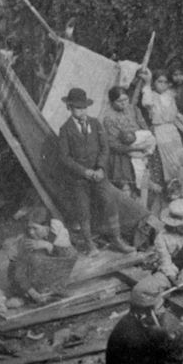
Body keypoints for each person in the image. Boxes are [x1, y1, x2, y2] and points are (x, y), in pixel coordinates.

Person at [58, 87, 136, 255]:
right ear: (69, 108)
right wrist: (84, 172)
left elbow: (104, 148)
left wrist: (100, 168)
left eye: (84, 107)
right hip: (79, 179)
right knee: (83, 210)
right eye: (78, 108)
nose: (82, 111)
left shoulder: (95, 123)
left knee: (110, 201)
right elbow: (64, 158)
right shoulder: (65, 130)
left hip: (99, 175)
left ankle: (117, 240)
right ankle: (90, 245)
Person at [106, 275, 183, 364]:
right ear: (146, 312)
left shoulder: (137, 321)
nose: (163, 311)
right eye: (160, 307)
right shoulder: (134, 336)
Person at [102, 86, 162, 202]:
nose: (124, 103)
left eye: (125, 99)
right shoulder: (109, 118)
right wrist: (135, 148)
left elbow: (144, 126)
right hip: (124, 153)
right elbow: (114, 144)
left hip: (142, 144)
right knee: (130, 183)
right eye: (119, 101)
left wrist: (147, 141)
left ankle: (150, 199)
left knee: (150, 167)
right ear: (112, 102)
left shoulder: (134, 109)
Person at [140, 69, 183, 195]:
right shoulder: (151, 95)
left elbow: (176, 114)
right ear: (154, 83)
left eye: (165, 82)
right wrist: (147, 84)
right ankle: (172, 188)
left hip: (173, 129)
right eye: (159, 82)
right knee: (168, 160)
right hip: (160, 129)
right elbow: (146, 103)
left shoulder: (170, 95)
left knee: (180, 157)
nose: (162, 85)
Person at [7, 208, 78, 303]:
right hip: (24, 279)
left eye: (35, 228)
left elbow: (71, 255)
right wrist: (33, 294)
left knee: (57, 259)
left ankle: (53, 289)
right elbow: (19, 272)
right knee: (36, 259)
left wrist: (48, 246)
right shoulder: (28, 241)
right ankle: (35, 293)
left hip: (47, 279)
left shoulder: (57, 232)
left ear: (46, 228)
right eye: (29, 228)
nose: (31, 232)